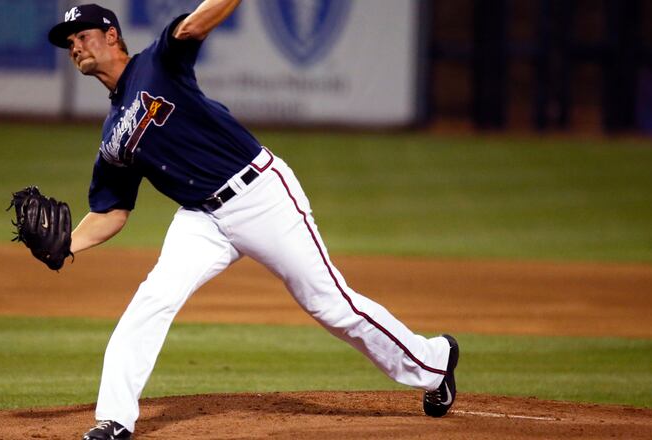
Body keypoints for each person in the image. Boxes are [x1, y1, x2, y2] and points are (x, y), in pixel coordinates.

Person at [46, 2, 459, 439]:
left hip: (260, 194)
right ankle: (114, 419)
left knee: (329, 303)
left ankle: (434, 361)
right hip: (201, 218)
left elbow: (198, 22)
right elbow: (112, 211)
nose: (76, 47)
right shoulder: (113, 136)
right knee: (152, 301)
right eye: (70, 43)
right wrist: (66, 244)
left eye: (83, 35)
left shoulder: (157, 63)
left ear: (111, 35)